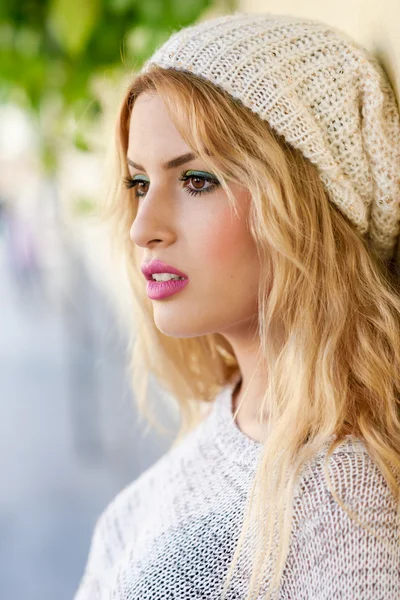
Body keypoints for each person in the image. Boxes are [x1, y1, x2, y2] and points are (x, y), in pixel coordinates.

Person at [73, 11, 400, 600]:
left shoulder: (347, 511)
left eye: (196, 180)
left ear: (305, 206)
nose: (143, 227)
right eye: (139, 183)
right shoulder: (230, 428)